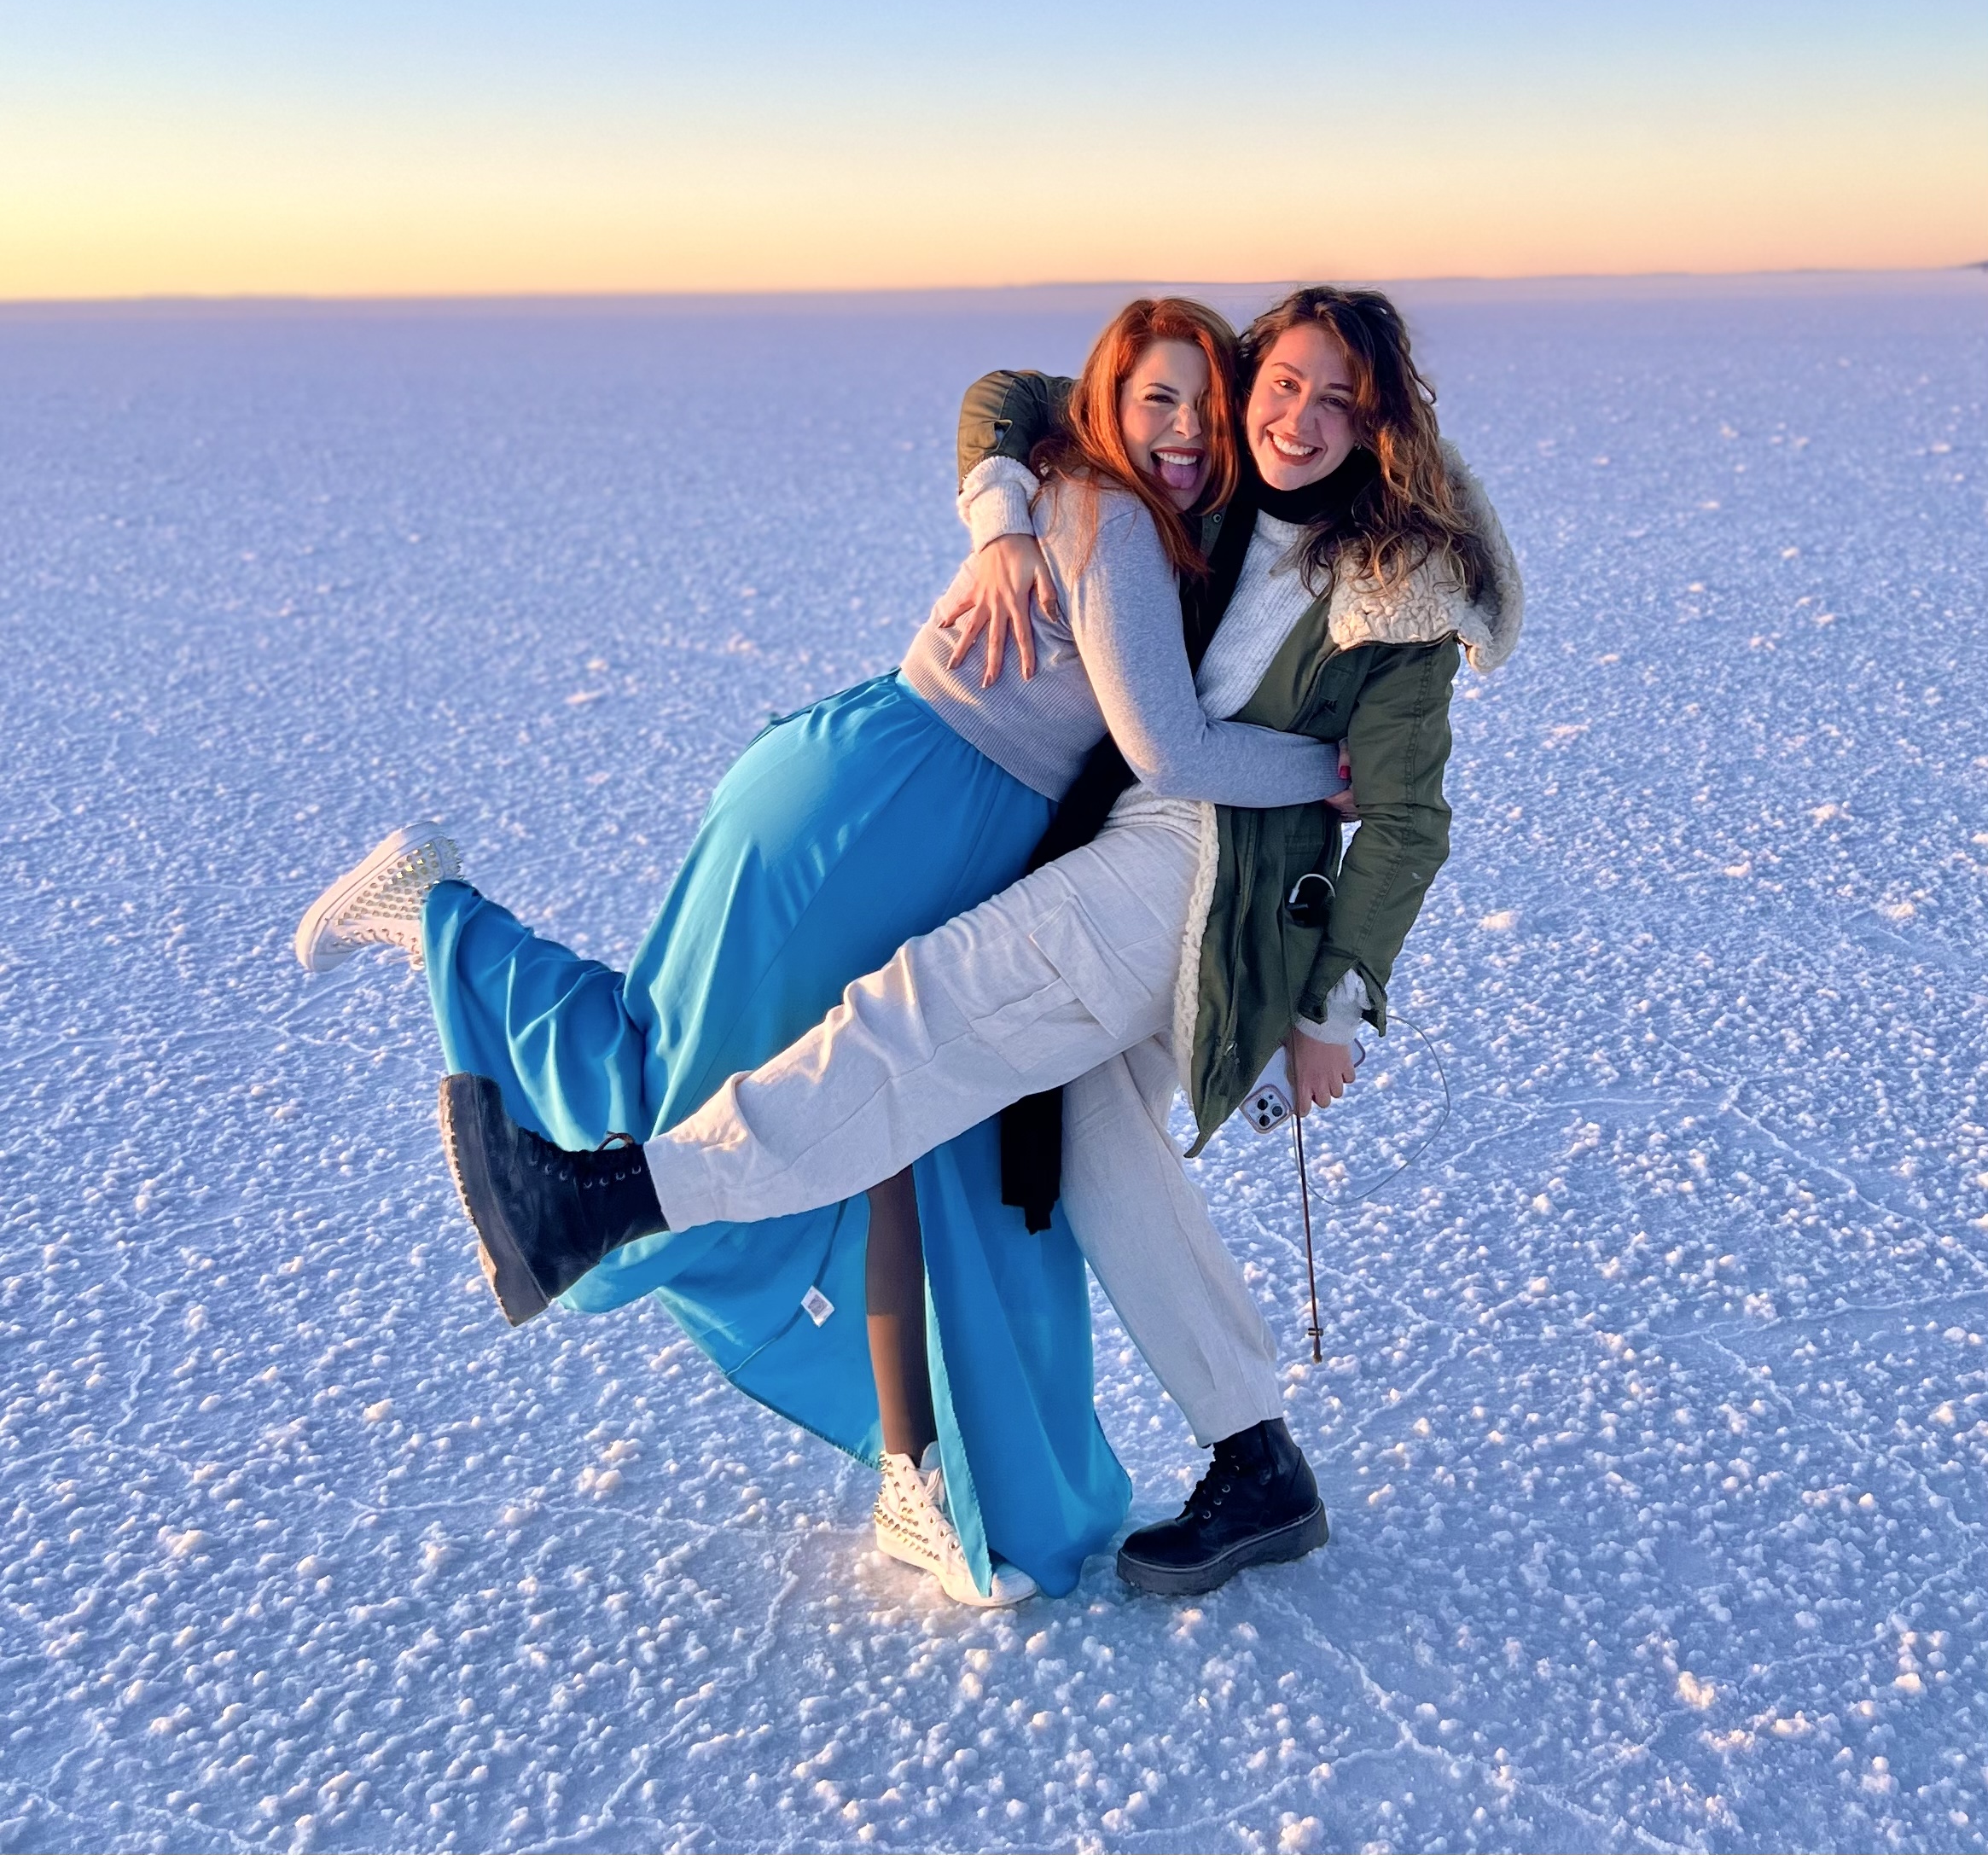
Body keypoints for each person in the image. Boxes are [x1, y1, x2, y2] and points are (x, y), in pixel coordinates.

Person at [437, 283, 1523, 1597]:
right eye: (1282, 384)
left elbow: (1403, 822)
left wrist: (1330, 1010)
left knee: (920, 1012)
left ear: (1378, 424)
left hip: (1198, 871)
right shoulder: (1214, 466)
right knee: (1101, 1154)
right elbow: (1020, 396)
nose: (1299, 417)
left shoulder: (1393, 585)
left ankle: (608, 1200)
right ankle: (1257, 1458)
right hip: (1136, 834)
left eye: (1336, 400)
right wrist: (1003, 519)